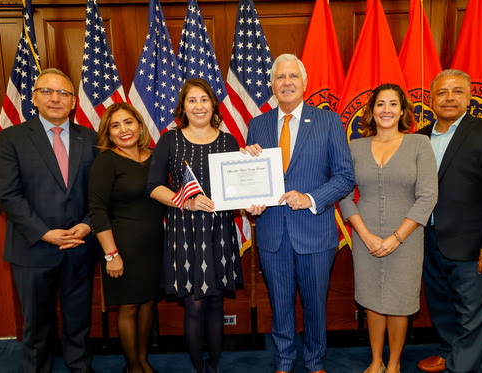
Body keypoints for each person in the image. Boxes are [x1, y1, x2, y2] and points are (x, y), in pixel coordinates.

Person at [243, 54, 355, 373]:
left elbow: (345, 177)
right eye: (280, 77)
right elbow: (254, 180)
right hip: (271, 232)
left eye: (293, 76)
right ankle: (284, 360)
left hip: (315, 232)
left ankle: (315, 360)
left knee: (315, 305)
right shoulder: (258, 125)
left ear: (305, 83)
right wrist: (251, 201)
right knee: (280, 304)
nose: (287, 82)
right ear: (272, 85)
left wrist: (310, 198)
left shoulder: (328, 121)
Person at [0, 68, 97, 372]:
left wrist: (89, 223)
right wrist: (45, 233)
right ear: (34, 98)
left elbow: (102, 192)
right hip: (33, 249)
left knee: (78, 322)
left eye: (64, 93)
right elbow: (8, 194)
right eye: (47, 92)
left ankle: (80, 367)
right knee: (37, 328)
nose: (56, 98)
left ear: (74, 102)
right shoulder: (11, 137)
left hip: (79, 246)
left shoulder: (89, 138)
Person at [416, 69, 482, 373]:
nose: (449, 98)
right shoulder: (418, 137)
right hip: (427, 240)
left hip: (474, 244)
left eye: (457, 91)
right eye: (442, 92)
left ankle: (462, 367)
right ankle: (449, 352)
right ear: (431, 98)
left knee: (472, 310)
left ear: (469, 96)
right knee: (441, 304)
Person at [338, 84, 438, 373]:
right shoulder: (355, 146)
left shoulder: (420, 144)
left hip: (407, 237)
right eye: (380, 104)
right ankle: (376, 361)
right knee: (372, 299)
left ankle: (393, 364)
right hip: (364, 236)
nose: (386, 110)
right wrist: (365, 235)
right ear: (371, 111)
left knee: (400, 301)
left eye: (393, 104)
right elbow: (344, 195)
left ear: (403, 110)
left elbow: (428, 195)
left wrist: (396, 238)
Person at [147, 78, 243, 373]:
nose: (199, 106)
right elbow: (153, 186)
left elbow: (238, 186)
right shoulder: (169, 140)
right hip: (184, 230)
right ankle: (197, 368)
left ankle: (213, 365)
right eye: (192, 100)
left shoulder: (228, 141)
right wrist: (184, 201)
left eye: (204, 99)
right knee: (194, 305)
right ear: (183, 107)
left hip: (219, 231)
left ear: (213, 105)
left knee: (215, 303)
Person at [88, 103, 163, 373]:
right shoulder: (106, 161)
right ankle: (132, 367)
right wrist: (111, 255)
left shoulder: (155, 156)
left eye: (128, 122)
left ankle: (143, 362)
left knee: (148, 303)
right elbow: (96, 209)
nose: (124, 130)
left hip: (154, 246)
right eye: (115, 126)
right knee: (129, 306)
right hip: (122, 248)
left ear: (140, 125)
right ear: (108, 134)